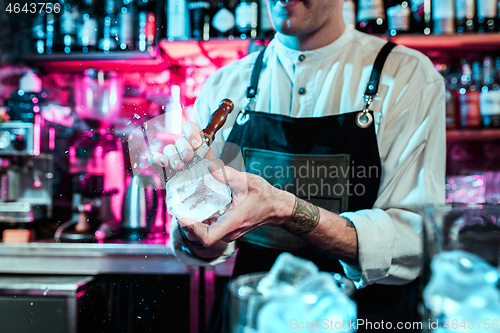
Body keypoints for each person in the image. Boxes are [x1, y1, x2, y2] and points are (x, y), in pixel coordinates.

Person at [151, 0, 445, 330]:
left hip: (366, 318)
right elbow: (210, 245)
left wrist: (287, 210)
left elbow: (412, 244)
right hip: (255, 319)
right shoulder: (226, 84)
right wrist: (194, 214)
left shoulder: (406, 76)